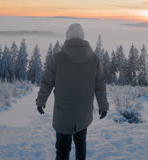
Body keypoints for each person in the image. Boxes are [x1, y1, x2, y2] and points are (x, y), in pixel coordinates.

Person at [36, 23, 109, 160]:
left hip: (63, 114)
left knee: (62, 150)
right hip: (83, 114)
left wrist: (41, 101)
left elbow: (47, 82)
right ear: (82, 37)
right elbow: (100, 85)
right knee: (81, 145)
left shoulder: (57, 58)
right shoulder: (93, 59)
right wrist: (103, 106)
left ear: (68, 36)